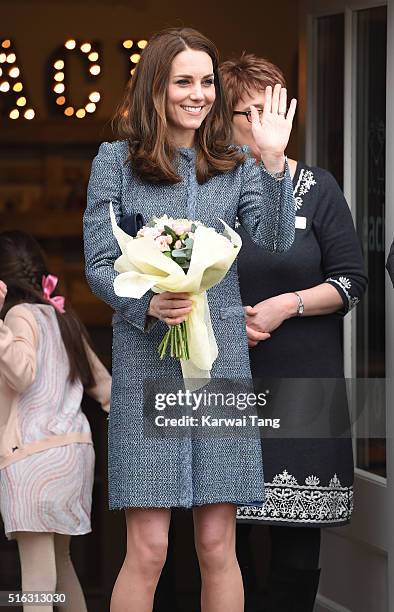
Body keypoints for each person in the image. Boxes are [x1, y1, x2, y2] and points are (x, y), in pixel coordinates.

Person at [83, 27, 297, 612]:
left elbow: (275, 240)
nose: (199, 94)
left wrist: (274, 162)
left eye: (206, 82)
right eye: (185, 81)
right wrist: (146, 303)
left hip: (219, 365)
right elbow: (99, 262)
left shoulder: (234, 161)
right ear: (157, 86)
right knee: (149, 548)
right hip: (146, 363)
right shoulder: (116, 162)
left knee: (216, 543)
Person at [220, 53, 367, 612]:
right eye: (250, 112)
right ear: (222, 120)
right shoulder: (210, 194)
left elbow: (351, 283)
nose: (264, 123)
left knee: (298, 554)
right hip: (226, 387)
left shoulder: (318, 188)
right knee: (222, 545)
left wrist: (288, 305)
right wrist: (227, 320)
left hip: (307, 388)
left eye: (274, 109)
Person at [0, 231, 111, 612]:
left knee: (36, 575)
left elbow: (23, 374)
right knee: (62, 564)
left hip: (32, 457)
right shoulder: (65, 318)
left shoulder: (17, 316)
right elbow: (106, 388)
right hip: (75, 456)